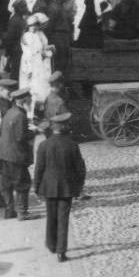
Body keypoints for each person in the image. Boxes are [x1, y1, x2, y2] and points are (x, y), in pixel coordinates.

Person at [33, 111, 86, 263]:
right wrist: (79, 187)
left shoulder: (44, 145)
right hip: (67, 188)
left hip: (48, 187)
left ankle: (51, 244)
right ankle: (61, 252)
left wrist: (36, 187)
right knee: (63, 219)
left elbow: (39, 169)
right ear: (66, 127)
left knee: (51, 216)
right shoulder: (72, 145)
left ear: (53, 128)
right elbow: (80, 168)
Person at [0, 86, 34, 219]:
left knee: (7, 184)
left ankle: (9, 211)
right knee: (23, 183)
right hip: (15, 156)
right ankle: (23, 213)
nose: (31, 99)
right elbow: (20, 137)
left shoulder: (10, 111)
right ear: (23, 100)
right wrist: (34, 132)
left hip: (3, 154)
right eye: (29, 98)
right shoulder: (20, 115)